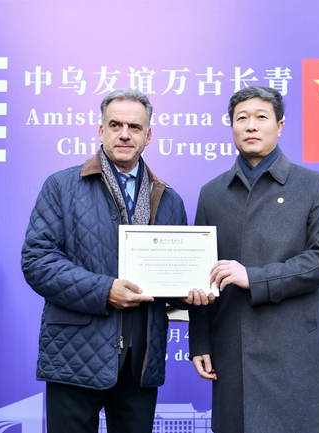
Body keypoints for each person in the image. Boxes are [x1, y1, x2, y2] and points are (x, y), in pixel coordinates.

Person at [21, 88, 213, 433]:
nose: (125, 134)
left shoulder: (169, 200)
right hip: (74, 356)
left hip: (141, 362)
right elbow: (38, 261)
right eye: (115, 125)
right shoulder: (61, 186)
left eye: (135, 127)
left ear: (148, 135)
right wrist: (104, 290)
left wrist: (189, 292)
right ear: (101, 131)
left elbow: (173, 280)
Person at [188, 86, 319, 433]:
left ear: (280, 125)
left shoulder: (313, 186)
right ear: (231, 126)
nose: (250, 126)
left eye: (261, 117)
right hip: (232, 344)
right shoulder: (212, 193)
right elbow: (201, 272)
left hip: (293, 346)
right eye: (241, 118)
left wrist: (256, 278)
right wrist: (199, 341)